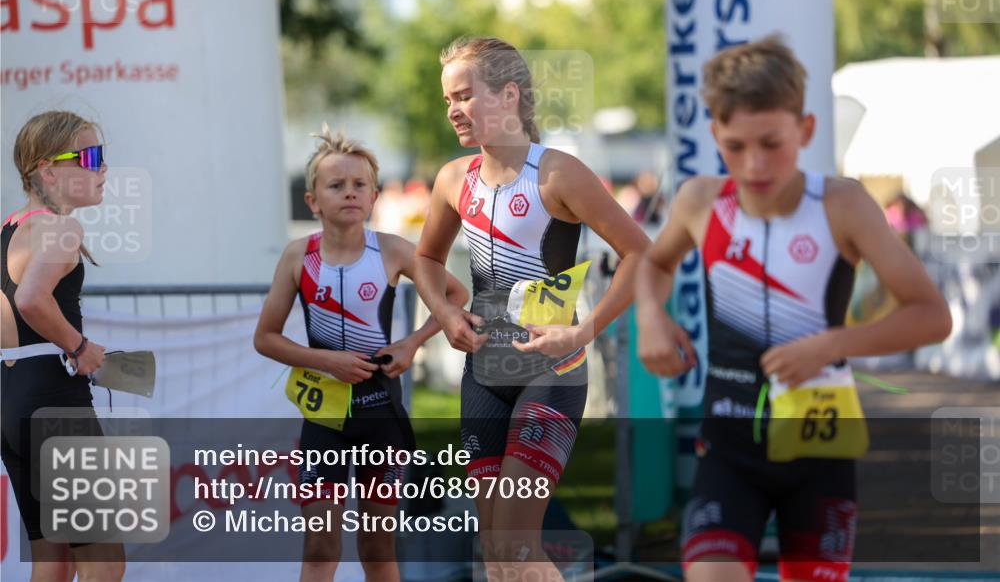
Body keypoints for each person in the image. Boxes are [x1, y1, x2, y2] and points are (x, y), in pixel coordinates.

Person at [635, 35, 952, 582]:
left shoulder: (842, 205)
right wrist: (649, 318)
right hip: (729, 451)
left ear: (805, 130)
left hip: (820, 453)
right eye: (735, 146)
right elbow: (654, 265)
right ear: (714, 134)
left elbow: (931, 315)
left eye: (771, 142)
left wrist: (832, 344)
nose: (754, 163)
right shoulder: (700, 201)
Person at [413, 36, 650, 580]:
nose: (453, 109)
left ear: (509, 95)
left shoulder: (558, 174)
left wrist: (584, 331)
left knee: (517, 545)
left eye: (464, 96)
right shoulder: (454, 179)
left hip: (550, 368)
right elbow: (426, 259)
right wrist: (447, 315)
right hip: (484, 371)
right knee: (496, 555)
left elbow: (643, 254)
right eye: (448, 99)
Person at [254, 126, 467, 582]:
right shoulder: (298, 256)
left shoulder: (391, 250)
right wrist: (325, 361)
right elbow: (266, 338)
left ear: (373, 197)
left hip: (380, 416)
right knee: (319, 547)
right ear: (313, 201)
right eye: (336, 186)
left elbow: (456, 293)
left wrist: (412, 342)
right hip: (324, 422)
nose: (349, 194)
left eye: (359, 186)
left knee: (377, 546)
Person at [1, 111, 125, 581]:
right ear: (48, 169)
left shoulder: (8, 230)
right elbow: (31, 299)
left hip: (12, 402)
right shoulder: (61, 228)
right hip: (53, 401)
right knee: (103, 564)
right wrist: (80, 348)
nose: (102, 168)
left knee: (52, 565)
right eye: (90, 156)